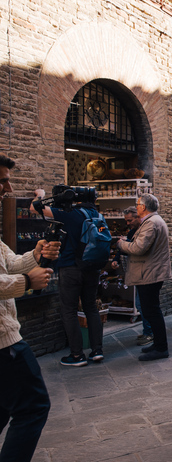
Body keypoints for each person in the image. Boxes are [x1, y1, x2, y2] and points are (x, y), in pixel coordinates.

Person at [0, 153, 60, 462]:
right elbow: (11, 276)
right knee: (34, 407)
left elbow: (8, 263)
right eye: (1, 180)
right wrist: (27, 282)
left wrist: (35, 253)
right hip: (3, 341)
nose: (7, 188)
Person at [31, 187, 104, 366]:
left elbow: (35, 209)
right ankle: (97, 351)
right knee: (91, 308)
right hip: (92, 268)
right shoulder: (98, 215)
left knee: (69, 310)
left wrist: (39, 195)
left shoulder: (71, 214)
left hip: (71, 268)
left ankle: (77, 355)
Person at [116, 194, 172, 361]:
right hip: (150, 272)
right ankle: (157, 345)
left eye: (139, 204)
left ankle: (161, 348)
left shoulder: (151, 223)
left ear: (144, 207)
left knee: (152, 311)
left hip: (150, 273)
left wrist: (121, 244)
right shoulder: (153, 222)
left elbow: (139, 248)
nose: (137, 206)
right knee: (150, 310)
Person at [110, 207, 152, 345]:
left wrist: (123, 244)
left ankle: (150, 332)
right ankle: (148, 331)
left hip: (146, 272)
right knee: (143, 303)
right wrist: (116, 258)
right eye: (126, 221)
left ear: (138, 217)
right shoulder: (134, 231)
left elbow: (133, 247)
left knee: (143, 303)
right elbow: (125, 246)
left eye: (129, 220)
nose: (127, 223)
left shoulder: (146, 230)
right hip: (139, 271)